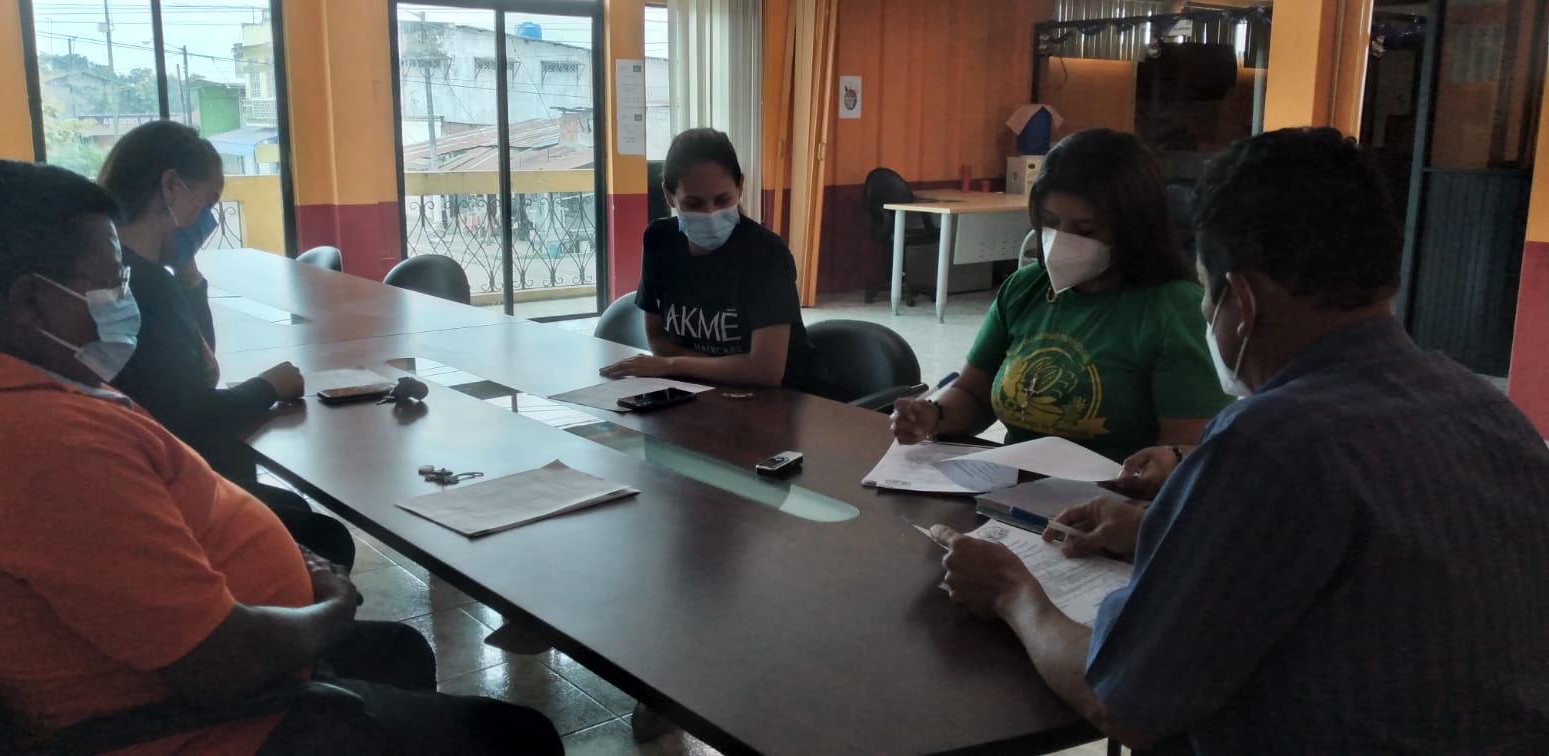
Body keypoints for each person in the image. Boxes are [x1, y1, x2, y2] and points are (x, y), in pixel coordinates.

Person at [931, 128, 1549, 754]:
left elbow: (1123, 701)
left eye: (1208, 295)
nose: (1206, 315)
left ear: (1241, 302)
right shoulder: (1494, 416)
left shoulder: (1271, 442)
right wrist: (1156, 528)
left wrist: (1012, 592)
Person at [0, 158, 562, 755]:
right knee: (517, 737)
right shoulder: (46, 451)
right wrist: (332, 607)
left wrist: (272, 554)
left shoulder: (10, 394)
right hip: (207, 722)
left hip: (182, 676)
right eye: (111, 282)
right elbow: (222, 664)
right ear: (31, 303)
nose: (122, 297)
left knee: (399, 650)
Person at [94, 121, 353, 567]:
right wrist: (270, 386)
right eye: (208, 202)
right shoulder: (146, 286)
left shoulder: (125, 271)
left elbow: (202, 365)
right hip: (170, 490)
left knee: (294, 510)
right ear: (170, 187)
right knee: (326, 537)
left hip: (140, 477)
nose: (207, 219)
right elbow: (198, 410)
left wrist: (188, 274)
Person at [890, 129, 1230, 462]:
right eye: (1050, 223)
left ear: (1133, 228)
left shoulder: (1175, 310)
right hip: (1013, 481)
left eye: (1086, 229)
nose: (1062, 240)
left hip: (1114, 494)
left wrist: (1153, 472)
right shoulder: (1025, 288)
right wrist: (934, 415)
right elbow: (973, 394)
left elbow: (1187, 450)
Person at [599, 128, 824, 393]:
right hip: (704, 391)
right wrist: (725, 368)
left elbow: (765, 371)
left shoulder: (767, 255)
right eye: (694, 203)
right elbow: (657, 337)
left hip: (784, 399)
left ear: (740, 187)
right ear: (669, 196)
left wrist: (673, 364)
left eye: (723, 199)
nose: (711, 213)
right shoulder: (659, 240)